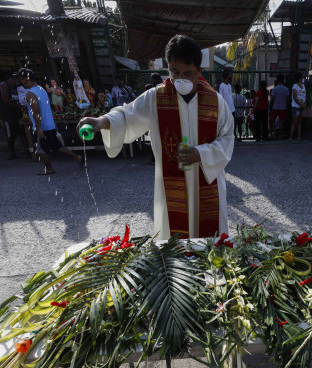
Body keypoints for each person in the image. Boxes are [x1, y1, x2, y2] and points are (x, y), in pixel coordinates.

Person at [77, 34, 234, 240]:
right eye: (175, 73)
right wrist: (101, 122)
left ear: (199, 71)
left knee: (210, 246)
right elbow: (127, 115)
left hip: (206, 185)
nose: (181, 80)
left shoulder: (216, 101)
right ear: (167, 68)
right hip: (171, 190)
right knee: (174, 248)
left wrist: (202, 154)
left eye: (188, 74)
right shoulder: (156, 98)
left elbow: (227, 139)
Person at [18, 68, 84, 175]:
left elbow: (36, 112)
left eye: (21, 80)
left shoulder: (30, 93)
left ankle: (49, 168)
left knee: (41, 149)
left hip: (42, 126)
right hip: (50, 124)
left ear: (26, 79)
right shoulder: (41, 90)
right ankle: (77, 157)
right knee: (57, 146)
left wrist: (38, 129)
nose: (21, 83)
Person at [0, 72, 28, 159]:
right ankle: (12, 152)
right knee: (10, 134)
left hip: (19, 112)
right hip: (8, 114)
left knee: (23, 132)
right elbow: (5, 100)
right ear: (15, 79)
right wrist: (18, 107)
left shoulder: (17, 86)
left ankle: (26, 149)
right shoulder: (4, 85)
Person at [269, 73, 290, 139]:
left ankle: (274, 133)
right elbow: (288, 99)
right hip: (283, 107)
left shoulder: (274, 89)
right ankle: (280, 135)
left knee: (273, 120)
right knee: (281, 121)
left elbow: (272, 99)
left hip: (275, 107)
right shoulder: (286, 89)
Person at [288, 72, 307, 141]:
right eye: (302, 77)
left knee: (299, 122)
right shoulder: (295, 86)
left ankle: (299, 136)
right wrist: (301, 104)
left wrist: (304, 104)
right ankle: (290, 137)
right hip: (296, 106)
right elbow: (295, 97)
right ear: (299, 78)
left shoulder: (303, 86)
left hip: (302, 106)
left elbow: (304, 96)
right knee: (294, 122)